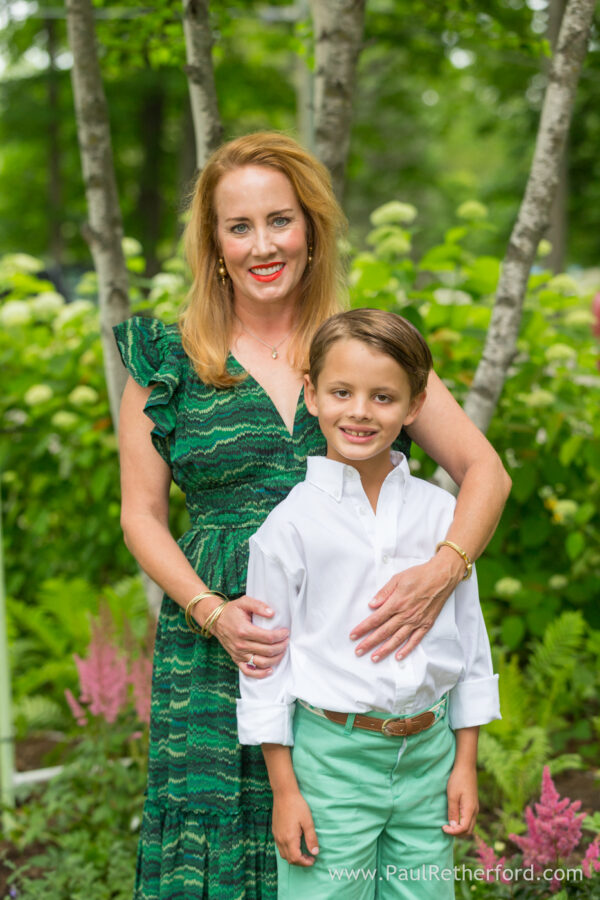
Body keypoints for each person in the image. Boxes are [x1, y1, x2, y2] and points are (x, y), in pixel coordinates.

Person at [114, 131, 510, 900]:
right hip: (225, 637)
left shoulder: (357, 352)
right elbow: (141, 516)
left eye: (280, 220)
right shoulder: (167, 358)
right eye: (240, 226)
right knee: (223, 828)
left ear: (311, 229)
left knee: (339, 850)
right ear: (214, 245)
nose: (264, 244)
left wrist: (444, 567)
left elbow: (485, 471)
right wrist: (210, 609)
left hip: (346, 638)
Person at [237, 308, 501, 899]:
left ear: (414, 407)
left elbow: (470, 645)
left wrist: (464, 760)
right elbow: (264, 670)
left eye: (383, 397)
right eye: (341, 392)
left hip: (429, 757)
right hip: (332, 761)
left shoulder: (442, 518)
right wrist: (285, 791)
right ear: (312, 395)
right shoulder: (289, 528)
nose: (359, 411)